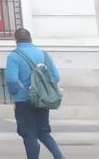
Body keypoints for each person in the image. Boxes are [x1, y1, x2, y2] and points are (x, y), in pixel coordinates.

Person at [5, 28, 64, 159]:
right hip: (42, 100)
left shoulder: (14, 56)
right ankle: (59, 156)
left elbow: (12, 79)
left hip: (23, 100)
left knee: (28, 133)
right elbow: (56, 77)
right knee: (43, 132)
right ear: (31, 39)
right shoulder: (44, 55)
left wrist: (15, 92)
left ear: (16, 40)